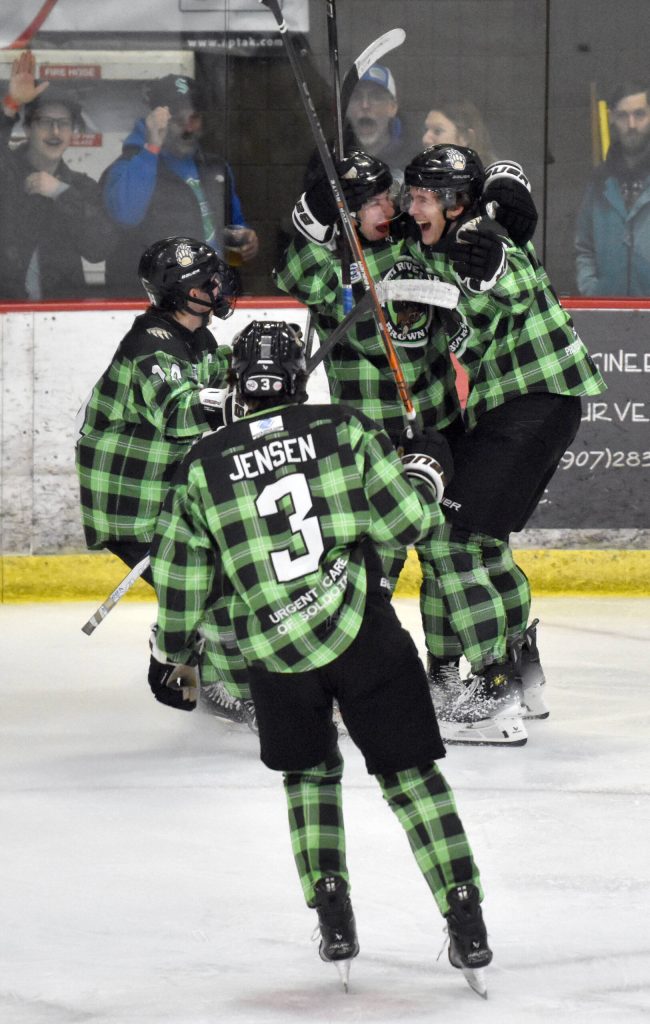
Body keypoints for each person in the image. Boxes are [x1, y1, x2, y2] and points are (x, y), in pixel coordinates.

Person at [146, 318, 493, 998]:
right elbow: (408, 523)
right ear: (298, 380)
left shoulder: (201, 468)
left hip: (275, 657)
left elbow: (184, 585)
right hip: (364, 635)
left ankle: (332, 910)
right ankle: (466, 914)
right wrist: (426, 469)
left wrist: (169, 653)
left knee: (308, 779)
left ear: (237, 385)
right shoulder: (343, 428)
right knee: (412, 778)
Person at [400, 144, 607, 745]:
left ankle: (492, 690)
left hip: (533, 403)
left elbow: (507, 279)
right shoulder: (440, 245)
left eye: (421, 198)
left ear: (455, 201)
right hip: (529, 407)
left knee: (453, 539)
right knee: (482, 542)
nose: (413, 208)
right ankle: (519, 670)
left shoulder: (479, 241)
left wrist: (487, 270)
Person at [75, 235, 251, 725]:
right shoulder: (148, 345)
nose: (218, 285)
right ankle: (205, 675)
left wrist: (257, 374)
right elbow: (180, 409)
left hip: (172, 494)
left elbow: (220, 389)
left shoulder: (198, 337)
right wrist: (232, 401)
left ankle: (200, 662)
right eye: (206, 280)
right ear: (181, 293)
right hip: (136, 504)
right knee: (212, 589)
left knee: (229, 578)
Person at [101, 74, 258, 296]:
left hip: (212, 300)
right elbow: (125, 216)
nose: (187, 127)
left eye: (194, 117)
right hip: (157, 307)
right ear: (155, 120)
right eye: (176, 119)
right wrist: (152, 146)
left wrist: (244, 239)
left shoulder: (215, 168)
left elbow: (233, 227)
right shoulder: (127, 167)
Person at [0, 50, 116, 299]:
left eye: (63, 123)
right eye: (44, 122)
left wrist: (60, 193)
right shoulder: (6, 173)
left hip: (63, 317)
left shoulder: (81, 187)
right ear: (28, 128)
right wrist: (10, 104)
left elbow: (99, 248)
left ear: (73, 131)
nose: (55, 131)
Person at [575, 79, 650, 295]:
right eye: (623, 116)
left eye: (639, 114)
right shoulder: (599, 182)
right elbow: (584, 248)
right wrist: (592, 291)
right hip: (606, 314)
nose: (632, 124)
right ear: (611, 119)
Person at [421, 97, 496, 166]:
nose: (425, 139)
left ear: (465, 138)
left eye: (437, 131)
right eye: (426, 130)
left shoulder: (494, 178)